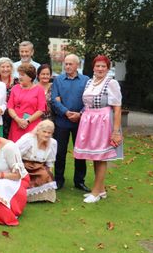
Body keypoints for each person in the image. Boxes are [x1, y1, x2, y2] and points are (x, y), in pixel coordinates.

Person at [74, 55, 123, 203]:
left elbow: (117, 108)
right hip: (89, 120)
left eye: (103, 66)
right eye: (98, 66)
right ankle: (101, 190)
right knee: (95, 156)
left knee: (101, 157)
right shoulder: (90, 81)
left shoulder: (111, 83)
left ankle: (95, 193)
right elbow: (87, 104)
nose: (100, 69)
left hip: (103, 121)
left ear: (108, 69)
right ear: (93, 67)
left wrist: (115, 131)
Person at [51, 54, 90, 191]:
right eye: (65, 64)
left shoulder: (86, 80)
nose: (67, 66)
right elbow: (54, 100)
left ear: (77, 65)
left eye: (70, 64)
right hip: (62, 122)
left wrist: (80, 114)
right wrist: (67, 112)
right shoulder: (58, 80)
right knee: (60, 152)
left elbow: (89, 101)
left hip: (80, 122)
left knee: (80, 153)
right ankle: (59, 180)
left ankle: (79, 181)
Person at [16, 120, 58, 203]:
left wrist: (50, 175)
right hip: (24, 165)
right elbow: (15, 153)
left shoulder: (53, 143)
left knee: (45, 174)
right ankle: (21, 196)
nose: (46, 135)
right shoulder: (28, 139)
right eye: (44, 132)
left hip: (39, 167)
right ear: (38, 131)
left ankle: (39, 197)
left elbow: (50, 161)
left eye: (49, 133)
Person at [7, 63, 46, 142]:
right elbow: (10, 107)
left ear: (30, 77)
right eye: (19, 74)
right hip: (16, 124)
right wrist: (18, 120)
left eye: (23, 75)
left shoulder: (39, 90)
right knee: (15, 150)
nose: (20, 77)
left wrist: (27, 121)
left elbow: (41, 110)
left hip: (32, 125)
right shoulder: (15, 88)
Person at [0, 57, 19, 140]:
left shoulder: (17, 82)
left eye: (8, 67)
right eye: (2, 67)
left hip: (13, 115)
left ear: (11, 68)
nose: (5, 69)